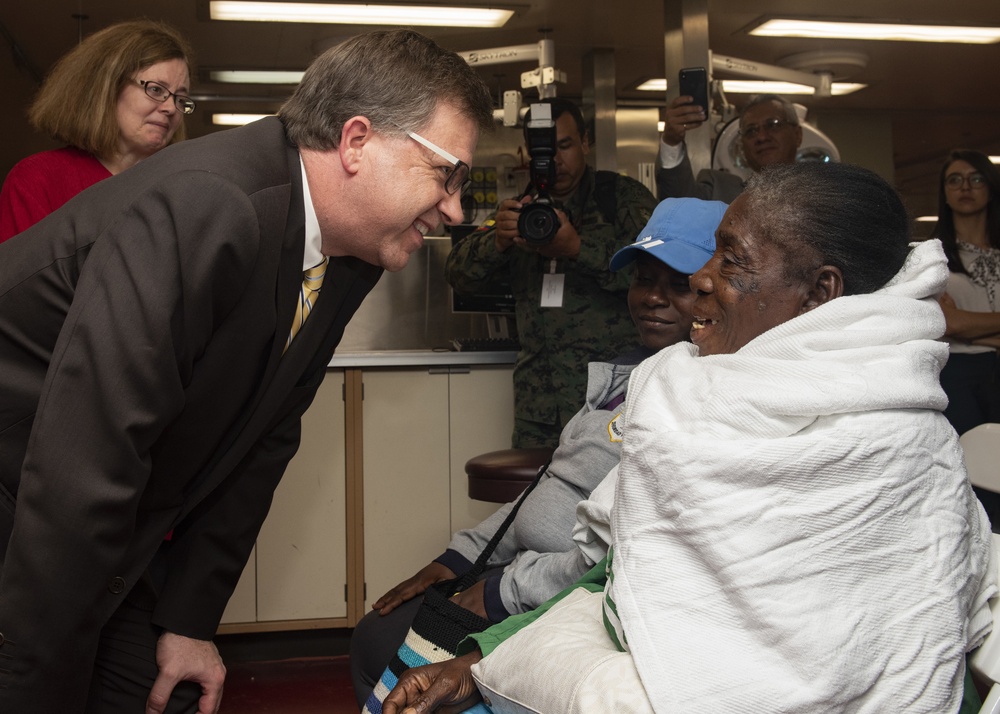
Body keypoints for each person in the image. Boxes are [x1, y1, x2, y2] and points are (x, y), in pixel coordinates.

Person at [384, 162, 997, 714]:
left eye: (730, 260)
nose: (700, 280)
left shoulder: (902, 451)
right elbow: (622, 579)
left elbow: (897, 647)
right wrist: (478, 662)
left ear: (821, 293)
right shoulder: (693, 400)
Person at [0, 28, 493, 714]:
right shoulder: (210, 203)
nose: (455, 210)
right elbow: (85, 463)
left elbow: (263, 436)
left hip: (107, 523)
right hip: (32, 511)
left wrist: (190, 619)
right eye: (448, 174)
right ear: (356, 141)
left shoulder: (351, 252)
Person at [351, 197, 727, 709]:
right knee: (379, 631)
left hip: (558, 591)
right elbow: (554, 481)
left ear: (716, 288)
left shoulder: (693, 399)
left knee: (385, 648)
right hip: (521, 569)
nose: (652, 299)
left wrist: (500, 592)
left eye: (678, 285)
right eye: (644, 280)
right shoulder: (629, 371)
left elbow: (615, 555)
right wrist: (461, 555)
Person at [445, 98, 658, 450]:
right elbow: (458, 274)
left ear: (585, 143)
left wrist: (576, 248)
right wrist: (497, 242)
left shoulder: (619, 198)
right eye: (545, 149)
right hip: (538, 408)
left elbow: (655, 277)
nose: (556, 160)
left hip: (612, 400)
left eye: (566, 145)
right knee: (536, 502)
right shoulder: (520, 210)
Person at [0, 20, 194, 243]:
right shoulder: (37, 180)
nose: (170, 108)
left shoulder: (180, 192)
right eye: (156, 89)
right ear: (108, 88)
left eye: (180, 98)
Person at [933, 149, 1000, 435]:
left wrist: (967, 325)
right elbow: (948, 323)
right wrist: (958, 323)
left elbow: (959, 324)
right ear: (945, 192)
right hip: (959, 373)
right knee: (973, 464)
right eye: (955, 180)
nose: (964, 187)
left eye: (975, 179)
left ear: (991, 186)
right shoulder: (933, 257)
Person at [655, 93, 802, 202]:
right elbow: (678, 204)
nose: (762, 137)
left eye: (773, 125)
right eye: (751, 130)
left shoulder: (823, 192)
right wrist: (671, 141)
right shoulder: (719, 191)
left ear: (798, 135)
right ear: (742, 146)